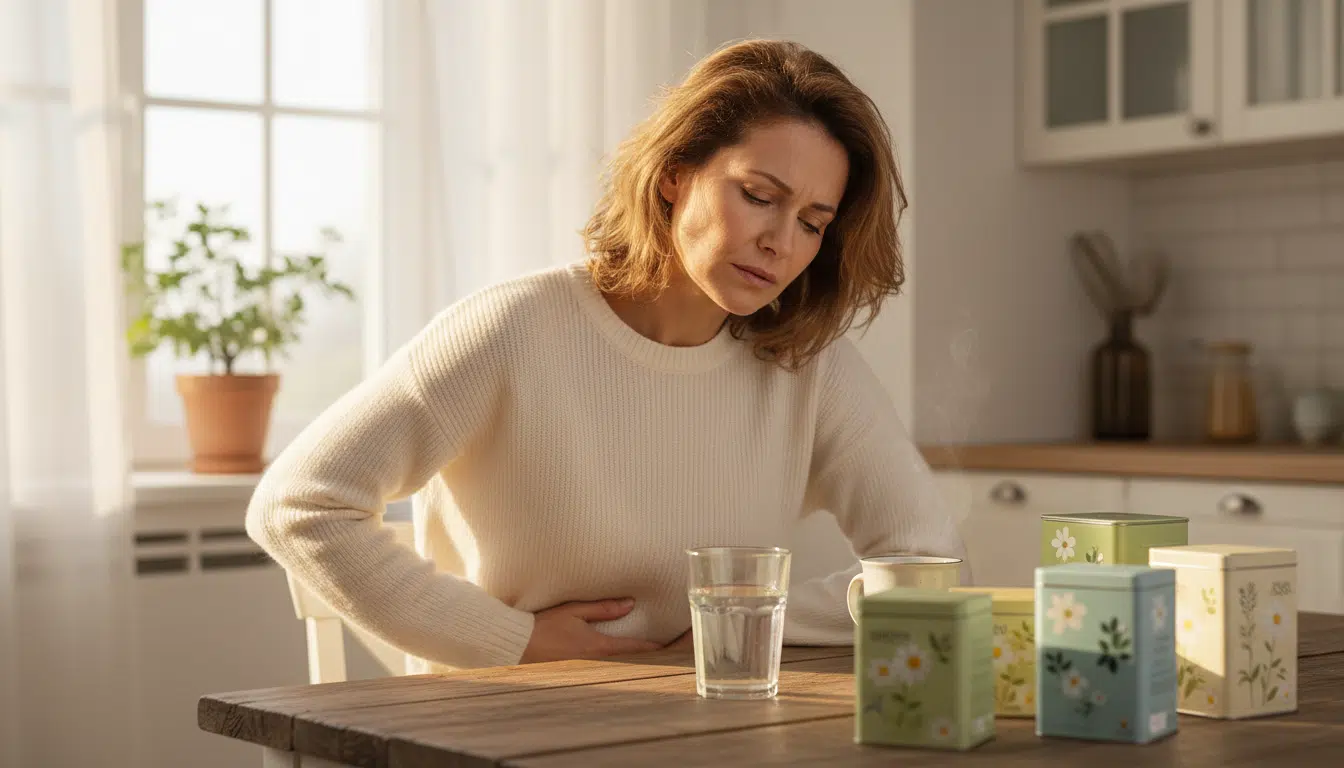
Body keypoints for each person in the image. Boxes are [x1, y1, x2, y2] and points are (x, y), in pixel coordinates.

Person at [246, 38, 967, 673]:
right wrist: (513, 641)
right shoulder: (514, 330)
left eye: (812, 222)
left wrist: (737, 622)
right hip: (501, 727)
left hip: (704, 724)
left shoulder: (809, 365)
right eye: (757, 195)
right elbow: (300, 503)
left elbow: (933, 567)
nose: (781, 242)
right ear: (674, 175)